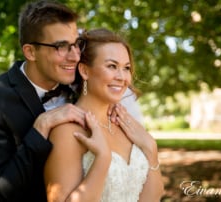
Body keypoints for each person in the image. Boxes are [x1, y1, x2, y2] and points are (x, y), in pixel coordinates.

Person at [0, 1, 88, 201]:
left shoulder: (84, 87)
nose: (75, 56)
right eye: (61, 46)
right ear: (30, 52)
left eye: (77, 44)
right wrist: (41, 127)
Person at [44, 28, 164, 201]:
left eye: (127, 68)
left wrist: (151, 149)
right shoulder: (67, 132)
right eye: (112, 66)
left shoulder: (126, 125)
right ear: (84, 71)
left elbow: (153, 198)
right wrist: (102, 159)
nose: (122, 77)